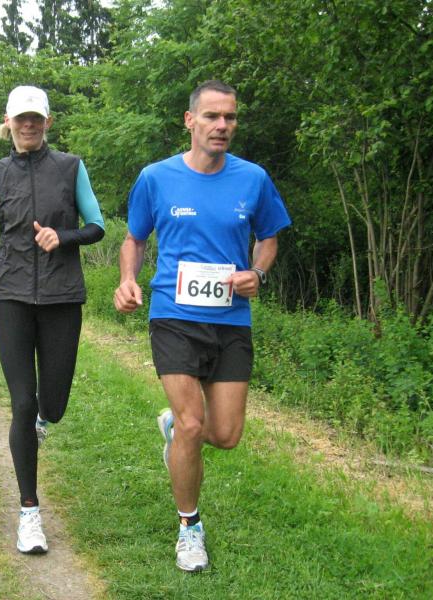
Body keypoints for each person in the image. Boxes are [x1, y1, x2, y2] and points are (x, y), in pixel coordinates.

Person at [114, 80, 291, 572]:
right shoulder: (156, 177)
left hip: (231, 319)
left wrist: (257, 273)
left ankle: (173, 428)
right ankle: (189, 528)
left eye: (230, 117)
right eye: (212, 116)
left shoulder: (253, 179)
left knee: (226, 434)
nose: (222, 125)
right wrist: (127, 279)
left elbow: (269, 238)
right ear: (189, 121)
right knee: (195, 423)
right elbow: (134, 238)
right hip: (173, 314)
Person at [0, 85, 105, 554]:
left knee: (52, 405)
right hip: (12, 296)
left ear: (47, 123)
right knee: (22, 402)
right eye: (21, 118)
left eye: (36, 118)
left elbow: (97, 225)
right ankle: (29, 513)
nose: (28, 125)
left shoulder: (71, 167)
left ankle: (44, 416)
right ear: (8, 122)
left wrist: (63, 236)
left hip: (62, 297)